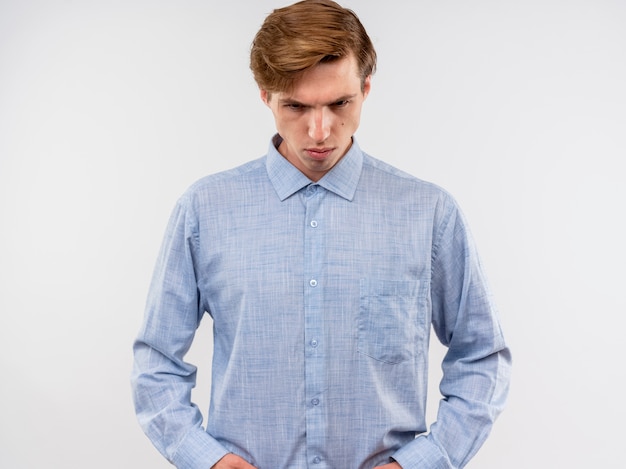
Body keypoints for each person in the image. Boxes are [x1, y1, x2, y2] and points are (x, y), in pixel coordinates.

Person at [131, 1, 512, 468]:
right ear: (264, 95)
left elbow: (482, 358)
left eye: (340, 103)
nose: (319, 131)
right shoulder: (205, 210)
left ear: (366, 88)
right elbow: (155, 364)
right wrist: (208, 460)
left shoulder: (429, 213)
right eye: (295, 105)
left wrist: (424, 462)